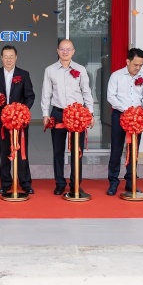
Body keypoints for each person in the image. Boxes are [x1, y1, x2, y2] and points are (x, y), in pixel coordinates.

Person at [41, 39, 95, 197]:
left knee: (77, 151)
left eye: (68, 49)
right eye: (62, 49)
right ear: (57, 51)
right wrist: (45, 114)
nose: (65, 52)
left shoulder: (81, 69)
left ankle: (75, 184)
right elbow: (46, 94)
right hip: (58, 113)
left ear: (73, 51)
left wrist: (90, 113)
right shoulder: (50, 70)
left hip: (78, 114)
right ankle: (59, 183)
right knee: (58, 151)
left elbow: (87, 92)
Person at [0, 45, 36, 195]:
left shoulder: (24, 74)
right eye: (6, 57)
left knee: (22, 152)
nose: (8, 60)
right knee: (4, 152)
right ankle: (6, 183)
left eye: (11, 57)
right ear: (1, 58)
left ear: (16, 57)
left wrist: (22, 111)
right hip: (2, 121)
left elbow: (30, 96)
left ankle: (25, 183)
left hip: (19, 121)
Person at [106, 48, 143, 196]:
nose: (138, 68)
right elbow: (111, 97)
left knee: (134, 151)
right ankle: (113, 182)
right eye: (135, 64)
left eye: (141, 65)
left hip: (137, 118)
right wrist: (127, 110)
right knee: (116, 150)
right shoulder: (116, 76)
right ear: (128, 61)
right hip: (120, 115)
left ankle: (131, 182)